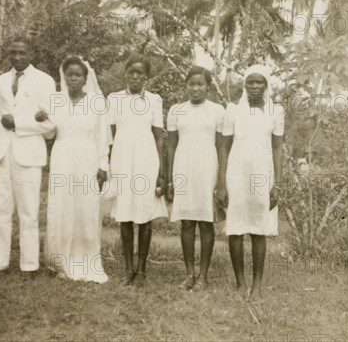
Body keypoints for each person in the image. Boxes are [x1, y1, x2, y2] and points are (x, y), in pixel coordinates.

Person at [0, 37, 56, 273]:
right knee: (0, 210)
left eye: (22, 53)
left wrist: (18, 122)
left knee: (28, 212)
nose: (16, 57)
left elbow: (50, 124)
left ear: (31, 54)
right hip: (3, 154)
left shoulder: (45, 81)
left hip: (29, 155)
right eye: (13, 52)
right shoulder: (1, 81)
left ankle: (29, 265)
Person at [215, 64, 284, 299]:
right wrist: (221, 183)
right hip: (236, 173)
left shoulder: (275, 111)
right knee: (235, 228)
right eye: (250, 82)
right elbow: (223, 148)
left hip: (262, 175)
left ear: (266, 85)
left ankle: (257, 285)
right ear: (244, 85)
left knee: (258, 228)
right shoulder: (233, 110)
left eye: (259, 82)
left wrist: (277, 183)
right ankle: (240, 282)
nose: (255, 86)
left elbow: (277, 148)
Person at [39, 56, 110, 283]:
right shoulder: (55, 101)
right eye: (69, 74)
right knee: (62, 207)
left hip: (88, 159)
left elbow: (102, 138)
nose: (73, 78)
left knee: (85, 208)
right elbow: (49, 134)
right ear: (64, 76)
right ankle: (60, 262)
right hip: (62, 158)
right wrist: (42, 119)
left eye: (77, 75)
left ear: (85, 78)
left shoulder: (97, 102)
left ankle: (87, 260)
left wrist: (103, 166)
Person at [107, 55, 168, 286]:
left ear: (146, 77)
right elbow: (109, 135)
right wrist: (108, 164)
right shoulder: (113, 99)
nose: (135, 76)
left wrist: (161, 173)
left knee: (144, 215)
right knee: (124, 216)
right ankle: (128, 269)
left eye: (140, 73)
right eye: (131, 71)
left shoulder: (154, 100)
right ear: (125, 74)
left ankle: (141, 270)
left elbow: (158, 137)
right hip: (122, 160)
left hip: (146, 161)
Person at [166, 66, 225, 291]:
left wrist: (221, 180)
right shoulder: (176, 110)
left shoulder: (218, 111)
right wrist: (170, 177)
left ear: (208, 87)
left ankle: (203, 275)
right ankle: (189, 274)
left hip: (208, 167)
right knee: (187, 222)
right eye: (191, 84)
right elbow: (170, 145)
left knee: (206, 222)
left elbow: (221, 147)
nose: (196, 88)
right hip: (183, 167)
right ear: (186, 86)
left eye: (200, 84)